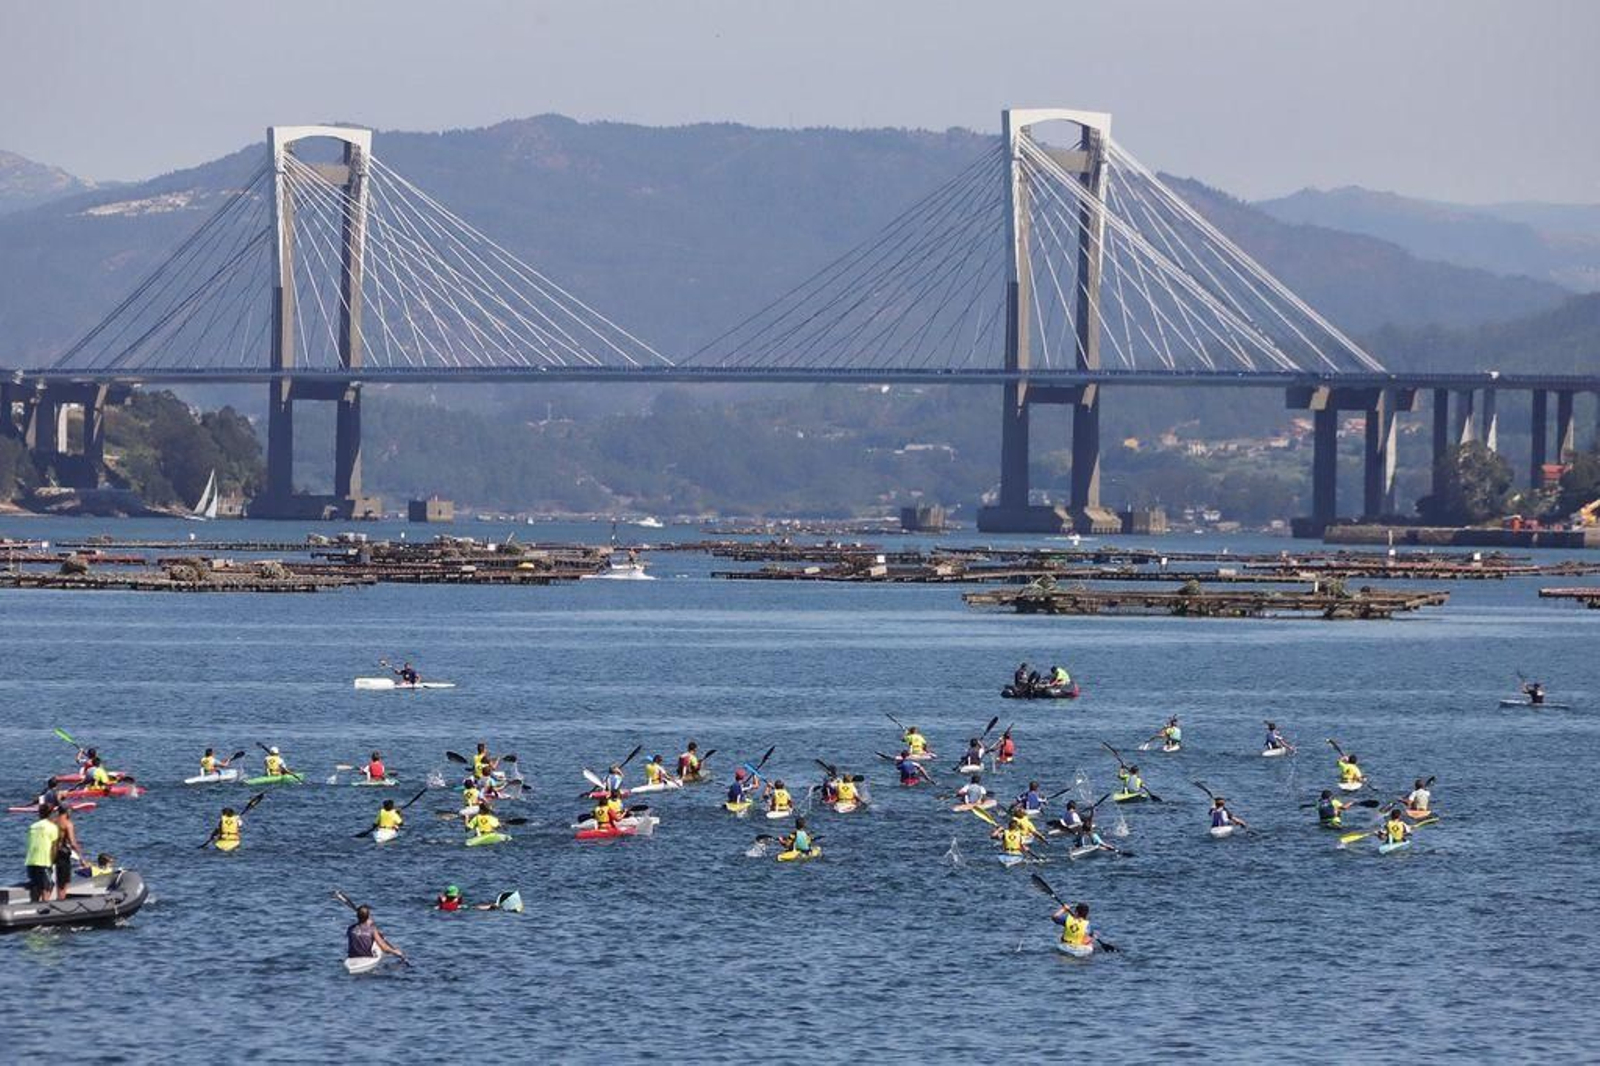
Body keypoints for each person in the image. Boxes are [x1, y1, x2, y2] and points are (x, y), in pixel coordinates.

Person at [25, 803, 59, 903]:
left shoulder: (32, 826)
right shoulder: (52, 827)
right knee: (47, 886)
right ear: (51, 813)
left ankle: (34, 904)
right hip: (44, 861)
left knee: (35, 886)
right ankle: (44, 908)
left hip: (30, 861)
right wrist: (53, 862)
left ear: (39, 813)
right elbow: (54, 848)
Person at [52, 805, 82, 901]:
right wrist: (81, 858)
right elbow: (73, 843)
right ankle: (61, 901)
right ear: (67, 812)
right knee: (64, 882)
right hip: (63, 854)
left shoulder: (52, 822)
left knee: (57, 878)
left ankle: (56, 898)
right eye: (70, 812)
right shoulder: (68, 824)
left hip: (52, 853)